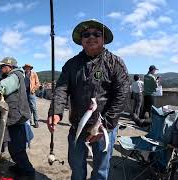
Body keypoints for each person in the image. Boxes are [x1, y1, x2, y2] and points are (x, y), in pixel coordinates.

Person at [47, 19, 129, 180]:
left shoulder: (116, 63)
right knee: (76, 167)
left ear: (103, 39)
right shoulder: (71, 64)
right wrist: (56, 112)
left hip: (103, 128)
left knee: (100, 170)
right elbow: (61, 89)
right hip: (78, 126)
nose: (91, 37)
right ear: (81, 40)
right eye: (86, 34)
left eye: (96, 34)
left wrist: (105, 124)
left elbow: (122, 95)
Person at [0, 57, 35, 178]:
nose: (0, 69)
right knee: (17, 146)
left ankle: (29, 173)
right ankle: (20, 167)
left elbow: (2, 88)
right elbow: (1, 82)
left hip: (16, 116)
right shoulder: (13, 76)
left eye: (2, 66)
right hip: (17, 116)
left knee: (16, 148)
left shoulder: (14, 76)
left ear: (9, 67)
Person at [23, 64, 40, 128]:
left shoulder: (33, 74)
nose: (27, 68)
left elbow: (38, 83)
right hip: (24, 93)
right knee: (27, 108)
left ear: (30, 68)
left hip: (31, 93)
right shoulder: (23, 74)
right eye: (26, 67)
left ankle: (36, 122)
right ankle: (29, 122)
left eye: (28, 67)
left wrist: (33, 90)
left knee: (34, 108)